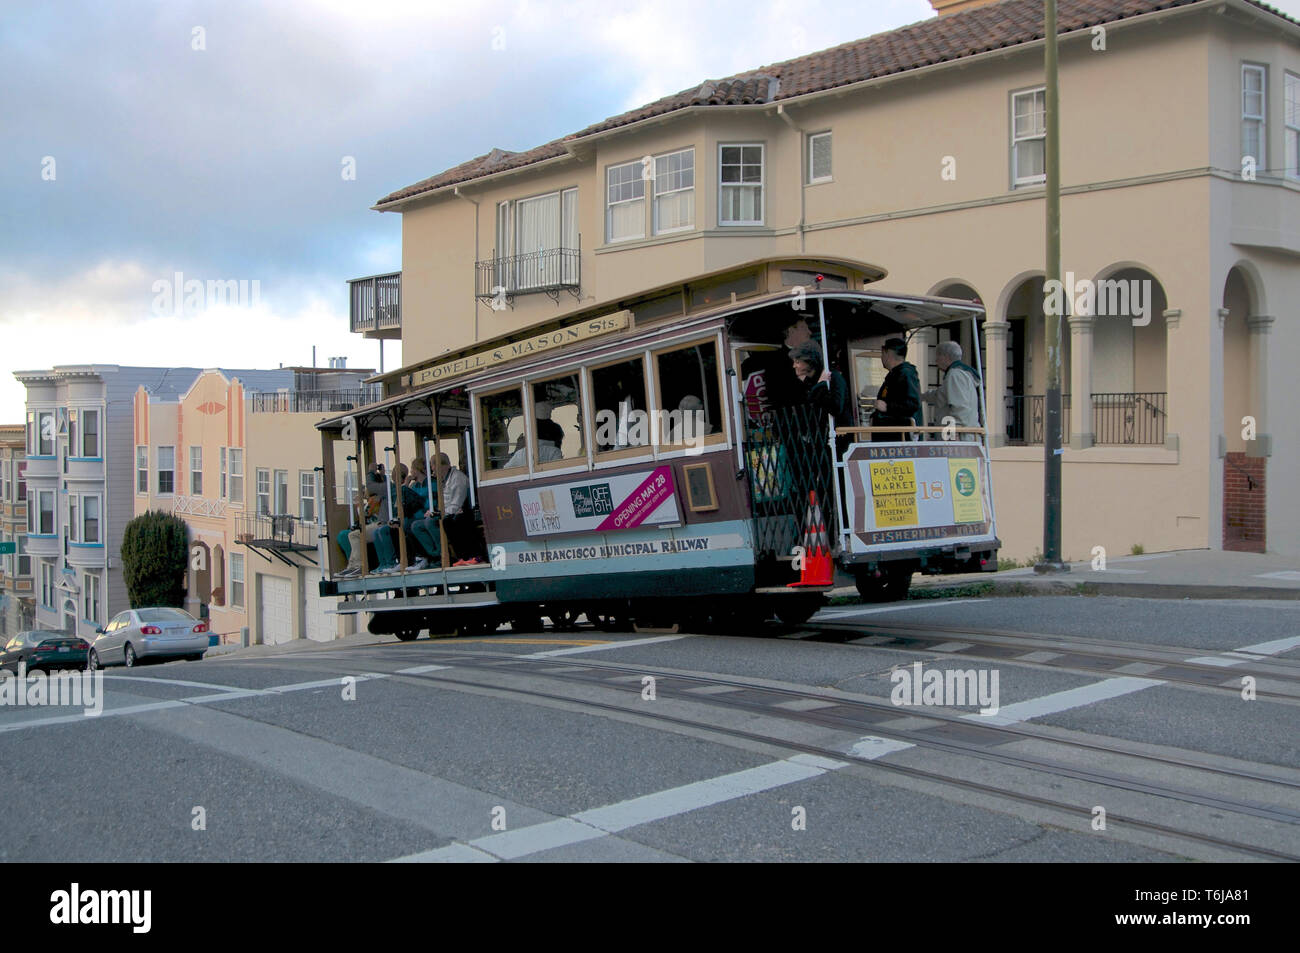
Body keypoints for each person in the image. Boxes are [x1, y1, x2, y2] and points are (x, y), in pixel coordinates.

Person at [412, 453, 483, 567]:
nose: (432, 469)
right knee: (416, 525)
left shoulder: (457, 478)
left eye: (433, 466)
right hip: (447, 512)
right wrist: (434, 511)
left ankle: (447, 556)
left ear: (442, 465)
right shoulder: (444, 479)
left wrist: (438, 513)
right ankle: (434, 555)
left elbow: (456, 504)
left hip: (461, 512)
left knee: (437, 522)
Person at [790, 341, 855, 456]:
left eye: (798, 362)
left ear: (809, 361)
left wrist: (820, 386)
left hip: (837, 442)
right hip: (818, 443)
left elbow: (836, 407)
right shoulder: (810, 382)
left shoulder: (833, 377)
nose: (794, 365)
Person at [922, 340, 981, 440]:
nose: (936, 360)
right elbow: (940, 395)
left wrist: (956, 430)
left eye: (938, 356)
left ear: (945, 357)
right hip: (962, 434)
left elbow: (960, 405)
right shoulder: (959, 374)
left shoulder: (954, 375)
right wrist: (922, 396)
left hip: (958, 436)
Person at [869, 337, 923, 442]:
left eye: (882, 354)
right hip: (891, 438)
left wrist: (887, 407)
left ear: (888, 353)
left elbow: (913, 404)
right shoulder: (895, 374)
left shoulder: (906, 374)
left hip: (898, 440)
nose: (881, 358)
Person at [335, 491, 397, 577]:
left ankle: (358, 566)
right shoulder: (375, 498)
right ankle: (352, 566)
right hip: (376, 524)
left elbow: (365, 513)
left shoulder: (377, 498)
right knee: (349, 534)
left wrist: (359, 504)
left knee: (354, 535)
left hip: (382, 523)